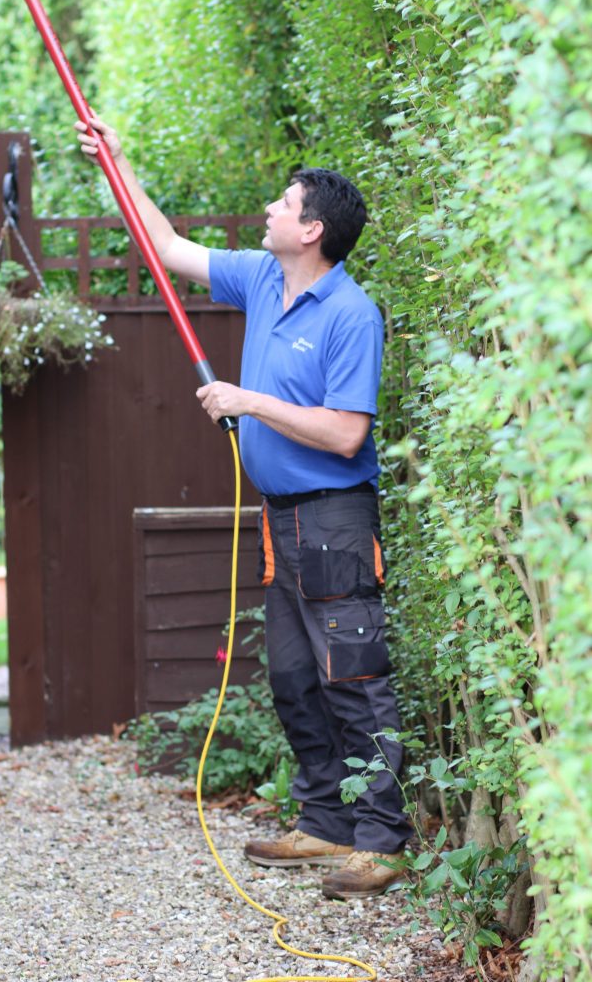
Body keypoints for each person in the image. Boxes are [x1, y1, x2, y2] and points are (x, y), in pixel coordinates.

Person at [76, 116, 412, 898]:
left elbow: (343, 432)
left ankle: (382, 840)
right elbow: (165, 249)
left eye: (282, 203)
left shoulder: (350, 314)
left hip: (334, 515)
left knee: (354, 678)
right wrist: (116, 160)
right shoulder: (262, 278)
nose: (267, 209)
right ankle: (324, 825)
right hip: (280, 519)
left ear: (313, 229)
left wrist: (249, 400)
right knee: (294, 678)